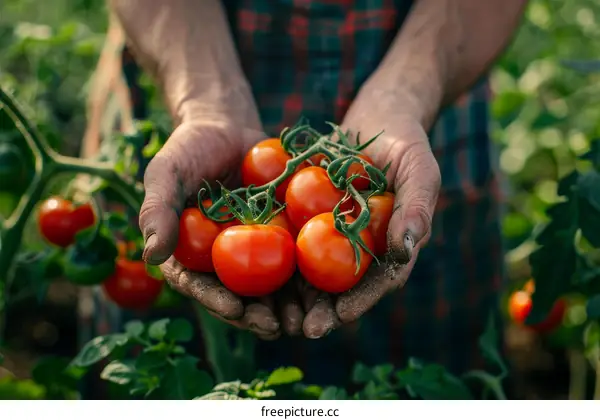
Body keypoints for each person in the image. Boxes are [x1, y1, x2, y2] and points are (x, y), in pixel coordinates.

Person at [81, 0, 526, 389]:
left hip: (428, 104)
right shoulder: (339, 210)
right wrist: (205, 100)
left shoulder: (300, 205)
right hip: (178, 63)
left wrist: (408, 92)